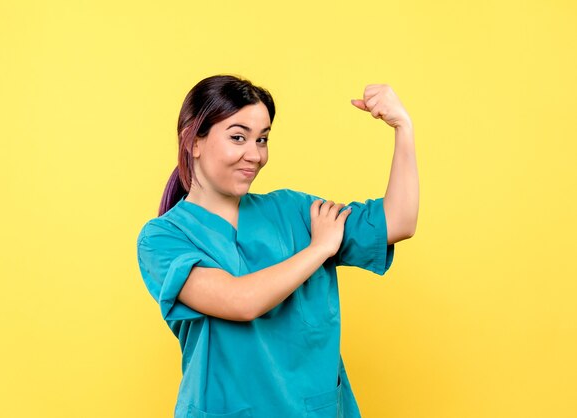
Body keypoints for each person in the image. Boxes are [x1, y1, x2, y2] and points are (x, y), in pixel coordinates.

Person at [136, 74, 419, 417]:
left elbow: (398, 221)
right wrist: (319, 249)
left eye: (262, 140)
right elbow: (241, 301)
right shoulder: (163, 238)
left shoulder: (294, 211)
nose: (254, 155)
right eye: (238, 137)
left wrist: (403, 127)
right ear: (193, 140)